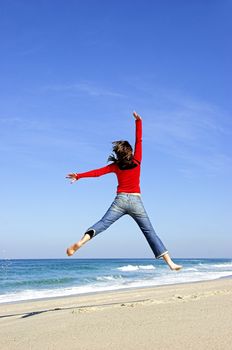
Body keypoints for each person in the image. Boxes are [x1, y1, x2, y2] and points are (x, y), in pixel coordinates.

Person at [66, 112, 182, 271]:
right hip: (136, 202)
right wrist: (139, 122)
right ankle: (170, 263)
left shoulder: (115, 166)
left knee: (103, 223)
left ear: (118, 154)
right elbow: (139, 140)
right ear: (130, 152)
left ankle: (81, 241)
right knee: (149, 232)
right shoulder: (137, 160)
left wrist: (79, 176)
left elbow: (97, 173)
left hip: (119, 201)